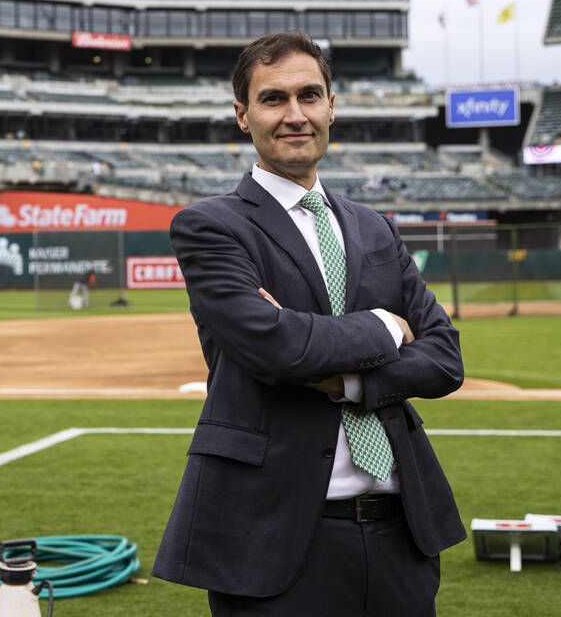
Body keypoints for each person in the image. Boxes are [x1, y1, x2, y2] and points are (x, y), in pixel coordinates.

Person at [152, 30, 465, 616]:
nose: (295, 115)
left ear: (331, 106)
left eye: (309, 96)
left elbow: (446, 358)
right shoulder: (209, 225)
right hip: (273, 539)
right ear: (243, 116)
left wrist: (347, 380)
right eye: (274, 99)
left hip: (401, 533)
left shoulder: (376, 227)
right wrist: (387, 327)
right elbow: (278, 348)